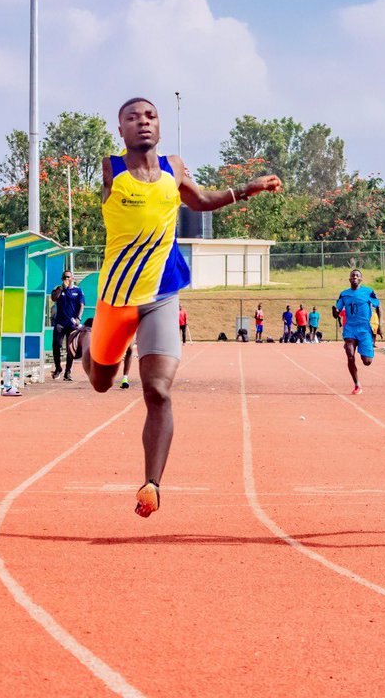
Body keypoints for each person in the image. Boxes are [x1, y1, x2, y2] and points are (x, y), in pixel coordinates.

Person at [76, 97, 280, 518]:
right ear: (121, 130)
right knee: (101, 381)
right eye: (132, 118)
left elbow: (201, 200)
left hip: (163, 293)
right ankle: (84, 340)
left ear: (160, 125)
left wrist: (248, 189)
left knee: (158, 388)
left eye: (150, 116)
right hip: (116, 295)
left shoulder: (174, 167)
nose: (143, 123)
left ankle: (151, 484)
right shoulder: (111, 170)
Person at [335, 269, 381, 394]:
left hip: (364, 329)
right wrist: (335, 312)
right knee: (350, 356)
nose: (354, 277)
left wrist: (379, 325)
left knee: (367, 362)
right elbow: (337, 312)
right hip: (350, 328)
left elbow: (378, 306)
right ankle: (357, 385)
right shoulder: (344, 294)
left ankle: (366, 350)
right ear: (349, 279)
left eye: (357, 275)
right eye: (352, 275)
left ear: (360, 279)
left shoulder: (368, 292)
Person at [50, 270, 85, 381]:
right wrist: (61, 288)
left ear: (72, 278)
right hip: (60, 323)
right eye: (65, 277)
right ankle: (58, 368)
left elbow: (81, 305)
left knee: (70, 348)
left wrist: (78, 318)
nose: (67, 279)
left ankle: (68, 372)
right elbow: (54, 298)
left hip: (72, 324)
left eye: (69, 277)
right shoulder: (58, 289)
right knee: (56, 345)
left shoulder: (78, 290)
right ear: (62, 278)